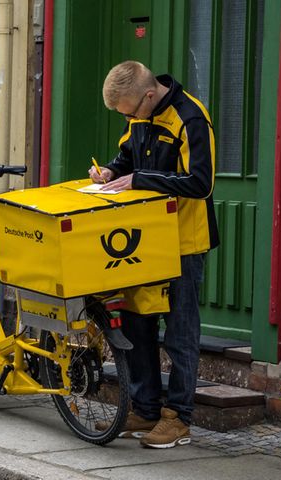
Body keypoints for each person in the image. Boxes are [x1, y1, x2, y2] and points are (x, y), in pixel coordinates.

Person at [89, 61, 219, 449]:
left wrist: (139, 179)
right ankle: (145, 410)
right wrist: (111, 173)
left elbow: (201, 182)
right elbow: (128, 158)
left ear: (149, 95)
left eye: (129, 111)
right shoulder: (140, 116)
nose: (127, 118)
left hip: (183, 243)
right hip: (140, 242)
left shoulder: (190, 118)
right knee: (137, 325)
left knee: (180, 333)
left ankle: (178, 419)